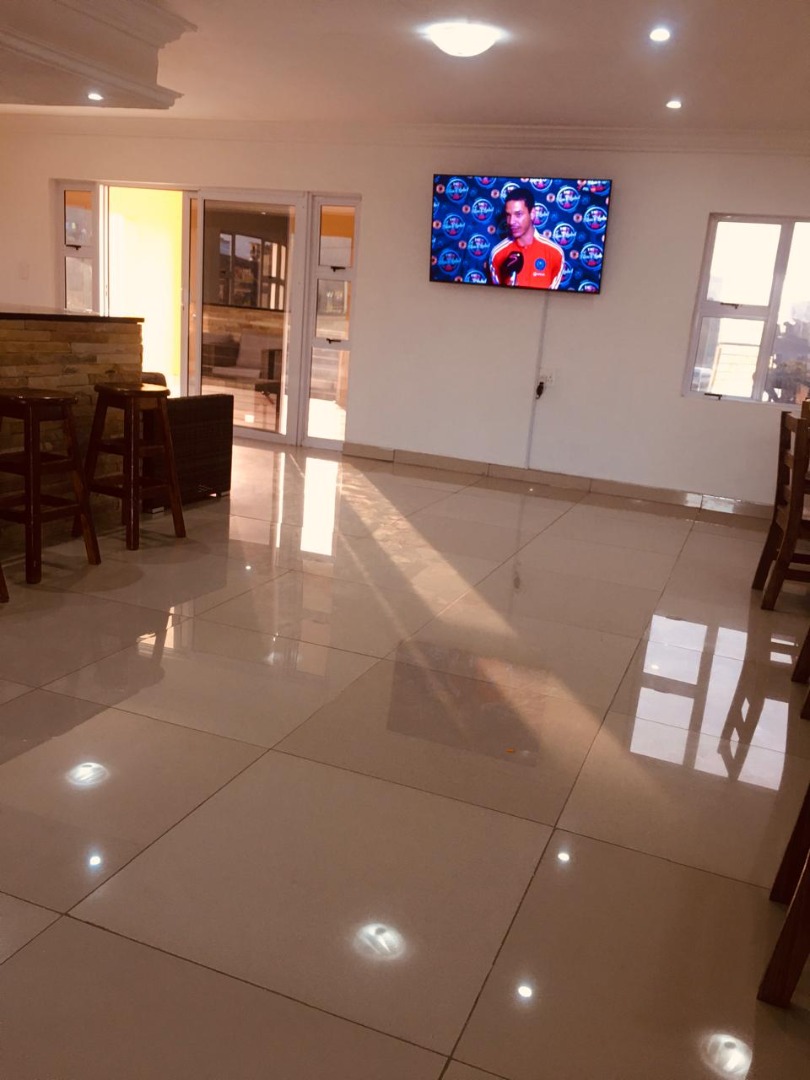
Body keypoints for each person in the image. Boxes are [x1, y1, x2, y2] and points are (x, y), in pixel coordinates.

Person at [489, 187, 565, 289]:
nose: (511, 222)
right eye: (508, 215)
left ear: (532, 214)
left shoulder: (555, 253)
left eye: (518, 214)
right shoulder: (497, 254)